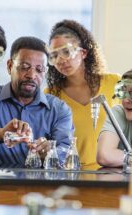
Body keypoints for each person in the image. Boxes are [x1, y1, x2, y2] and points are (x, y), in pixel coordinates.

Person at [0, 36, 74, 166]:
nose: (31, 75)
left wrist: (50, 152)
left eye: (39, 69)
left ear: (45, 72)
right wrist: (0, 134)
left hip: (42, 185)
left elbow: (67, 149)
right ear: (9, 66)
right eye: (24, 67)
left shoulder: (59, 109)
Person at [46, 20, 120, 169]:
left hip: (111, 173)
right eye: (54, 55)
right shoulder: (51, 95)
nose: (61, 60)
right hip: (69, 174)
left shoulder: (115, 83)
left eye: (66, 51)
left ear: (83, 52)